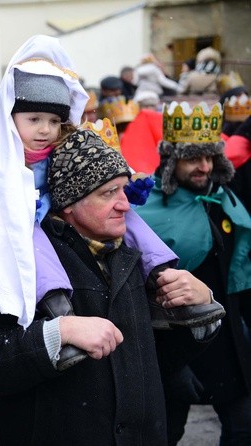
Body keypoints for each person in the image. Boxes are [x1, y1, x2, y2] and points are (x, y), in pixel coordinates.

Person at [0, 34, 223, 371]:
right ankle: (58, 310)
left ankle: (163, 276)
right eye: (34, 120)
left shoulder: (57, 147)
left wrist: (122, 185)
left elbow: (84, 177)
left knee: (128, 216)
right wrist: (13, 214)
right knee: (32, 236)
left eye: (53, 121)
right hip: (6, 234)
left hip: (48, 217)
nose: (45, 130)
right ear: (9, 116)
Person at [0, 128, 219, 444]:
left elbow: (157, 363)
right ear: (69, 202)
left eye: (124, 190)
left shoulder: (134, 258)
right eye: (108, 193)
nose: (125, 205)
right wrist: (58, 333)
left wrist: (200, 310)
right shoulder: (18, 260)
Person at [135, 101, 251, 446]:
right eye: (192, 158)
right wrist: (169, 366)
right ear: (171, 160)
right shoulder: (147, 213)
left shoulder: (222, 198)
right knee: (164, 436)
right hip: (175, 350)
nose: (204, 167)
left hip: (228, 343)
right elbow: (141, 295)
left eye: (210, 157)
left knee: (244, 430)